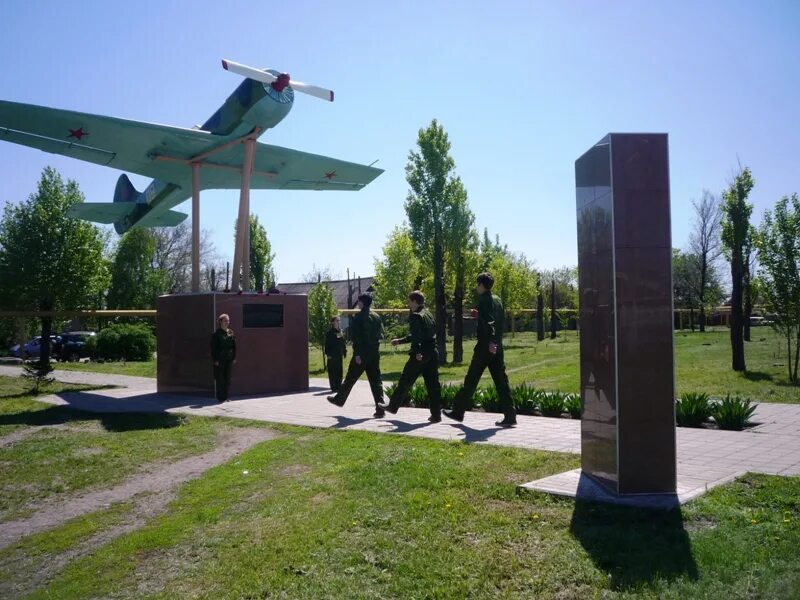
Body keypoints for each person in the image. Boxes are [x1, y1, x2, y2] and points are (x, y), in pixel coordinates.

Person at [443, 272, 517, 427]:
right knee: (501, 381)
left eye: (477, 284)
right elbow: (496, 320)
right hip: (498, 346)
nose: (477, 287)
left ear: (482, 285)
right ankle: (510, 415)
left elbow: (489, 322)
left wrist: (489, 342)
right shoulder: (497, 300)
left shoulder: (484, 299)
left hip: (485, 347)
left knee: (471, 379)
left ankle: (457, 412)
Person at [378, 290, 442, 423]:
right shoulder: (428, 314)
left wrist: (417, 352)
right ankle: (436, 415)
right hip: (432, 352)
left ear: (414, 302)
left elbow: (416, 338)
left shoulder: (416, 316)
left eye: (409, 301)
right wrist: (400, 340)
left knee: (405, 380)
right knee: (432, 384)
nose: (408, 304)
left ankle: (393, 406)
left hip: (420, 354)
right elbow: (422, 334)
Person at [327, 293, 386, 417]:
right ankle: (380, 409)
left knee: (350, 379)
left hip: (362, 354)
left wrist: (358, 354)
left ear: (362, 302)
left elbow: (356, 338)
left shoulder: (358, 318)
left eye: (359, 301)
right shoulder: (376, 317)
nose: (358, 304)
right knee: (376, 381)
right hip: (374, 354)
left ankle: (339, 399)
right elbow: (380, 335)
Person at [210, 313, 236, 402]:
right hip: (220, 359)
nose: (227, 322)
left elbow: (234, 346)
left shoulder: (230, 332)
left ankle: (226, 396)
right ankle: (220, 397)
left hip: (229, 358)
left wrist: (234, 357)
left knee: (228, 378)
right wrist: (215, 360)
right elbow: (214, 348)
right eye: (225, 320)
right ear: (220, 322)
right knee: (220, 379)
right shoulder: (216, 334)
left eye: (228, 320)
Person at [324, 315, 347, 392]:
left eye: (339, 321)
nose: (338, 322)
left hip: (339, 354)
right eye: (337, 321)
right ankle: (334, 387)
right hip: (332, 355)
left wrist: (344, 351)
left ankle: (339, 386)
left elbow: (343, 342)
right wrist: (328, 354)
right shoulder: (330, 333)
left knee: (339, 370)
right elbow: (327, 344)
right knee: (333, 371)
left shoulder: (341, 331)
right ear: (333, 322)